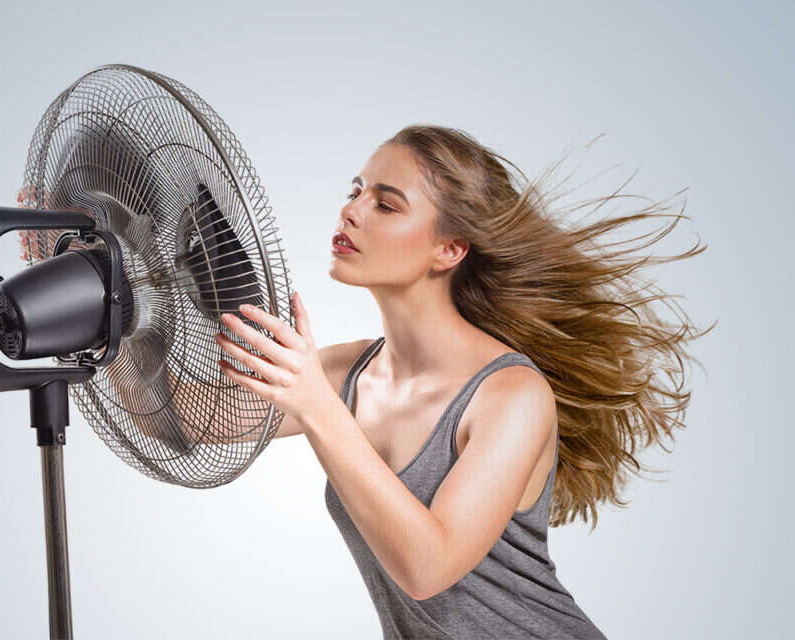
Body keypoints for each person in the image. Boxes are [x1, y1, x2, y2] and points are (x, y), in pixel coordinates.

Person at [213, 125, 712, 638]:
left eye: (386, 205)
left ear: (449, 250)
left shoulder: (511, 394)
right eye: (355, 191)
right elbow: (192, 420)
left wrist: (318, 407)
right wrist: (168, 298)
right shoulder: (347, 373)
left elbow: (427, 568)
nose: (351, 211)